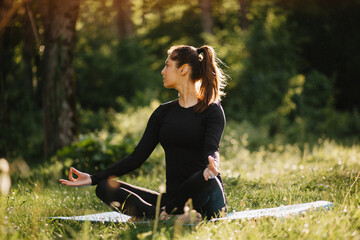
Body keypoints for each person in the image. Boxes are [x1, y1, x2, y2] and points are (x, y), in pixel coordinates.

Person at [60, 45, 228, 222]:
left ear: (184, 69)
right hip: (172, 200)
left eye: (167, 65)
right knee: (104, 187)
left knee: (204, 177)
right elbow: (136, 157)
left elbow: (212, 148)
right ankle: (164, 216)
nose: (163, 71)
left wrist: (213, 164)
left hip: (206, 197)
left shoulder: (212, 110)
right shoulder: (163, 113)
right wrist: (94, 178)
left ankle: (166, 214)